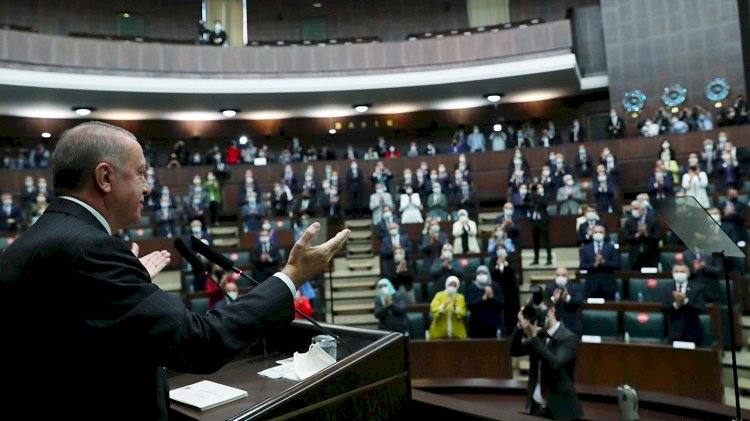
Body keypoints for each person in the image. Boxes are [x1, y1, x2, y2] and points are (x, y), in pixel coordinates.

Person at [0, 121, 352, 419]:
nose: (148, 187)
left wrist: (129, 283)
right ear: (105, 177)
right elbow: (201, 342)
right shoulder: (92, 250)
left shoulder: (35, 242)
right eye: (140, 174)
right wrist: (292, 275)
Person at [510, 299, 585, 420]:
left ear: (552, 310)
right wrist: (519, 327)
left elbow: (555, 363)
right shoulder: (540, 337)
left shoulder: (569, 338)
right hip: (537, 405)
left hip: (561, 408)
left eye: (541, 310)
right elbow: (514, 351)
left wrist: (533, 337)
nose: (539, 315)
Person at [661, 262, 706, 346]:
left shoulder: (698, 288)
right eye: (676, 271)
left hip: (693, 331)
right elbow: (664, 308)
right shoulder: (667, 288)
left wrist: (685, 301)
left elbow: (700, 308)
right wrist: (677, 304)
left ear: (688, 273)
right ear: (672, 273)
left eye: (682, 271)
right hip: (673, 330)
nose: (679, 274)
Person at [579, 225, 620, 300]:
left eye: (600, 232)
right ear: (592, 234)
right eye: (596, 232)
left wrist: (603, 262)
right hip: (591, 285)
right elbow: (582, 266)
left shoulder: (611, 247)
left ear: (604, 234)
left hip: (608, 285)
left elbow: (617, 264)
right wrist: (594, 265)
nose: (598, 234)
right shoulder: (585, 248)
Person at [466, 265, 504, 338]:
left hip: (493, 322)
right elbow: (470, 305)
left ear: (488, 274)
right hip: (476, 324)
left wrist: (492, 297)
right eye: (479, 273)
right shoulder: (472, 286)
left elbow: (501, 303)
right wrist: (483, 298)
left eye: (484, 273)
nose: (481, 275)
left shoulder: (495, 285)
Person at [544, 267, 583, 336]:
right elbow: (545, 304)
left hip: (572, 322)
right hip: (555, 322)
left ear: (568, 276)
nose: (560, 278)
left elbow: (579, 301)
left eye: (563, 275)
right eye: (558, 275)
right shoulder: (549, 287)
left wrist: (567, 298)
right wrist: (554, 299)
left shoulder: (575, 286)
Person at [623, 199, 661, 270]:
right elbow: (626, 238)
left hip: (651, 255)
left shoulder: (653, 220)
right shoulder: (628, 222)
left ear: (643, 209)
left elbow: (658, 237)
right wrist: (638, 234)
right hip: (634, 256)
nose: (634, 211)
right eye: (632, 209)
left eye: (636, 208)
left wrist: (646, 234)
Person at [529, 183, 552, 266]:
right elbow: (526, 202)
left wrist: (539, 195)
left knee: (546, 241)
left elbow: (545, 204)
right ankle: (536, 259)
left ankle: (549, 259)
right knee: (535, 242)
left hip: (542, 221)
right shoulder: (531, 198)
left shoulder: (543, 197)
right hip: (534, 222)